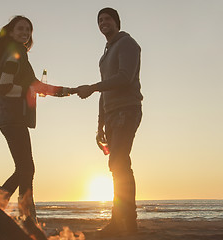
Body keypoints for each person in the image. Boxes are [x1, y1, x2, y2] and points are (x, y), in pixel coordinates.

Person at [0, 15, 73, 223]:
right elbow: (5, 87)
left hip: (10, 117)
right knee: (26, 168)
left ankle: (2, 210)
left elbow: (35, 85)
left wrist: (65, 91)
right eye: (21, 28)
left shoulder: (15, 53)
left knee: (24, 168)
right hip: (12, 117)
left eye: (28, 30)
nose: (25, 32)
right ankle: (23, 216)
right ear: (10, 31)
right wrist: (31, 89)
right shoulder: (14, 52)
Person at [76, 8, 143, 236]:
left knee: (119, 163)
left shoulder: (128, 44)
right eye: (100, 20)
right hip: (112, 114)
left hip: (127, 110)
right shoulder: (104, 55)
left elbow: (125, 77)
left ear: (117, 22)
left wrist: (92, 87)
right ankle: (119, 222)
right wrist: (99, 126)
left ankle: (127, 224)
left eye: (107, 19)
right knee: (117, 165)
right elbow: (105, 92)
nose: (103, 23)